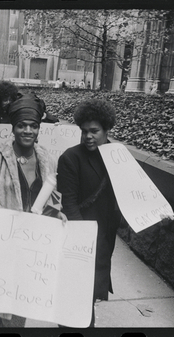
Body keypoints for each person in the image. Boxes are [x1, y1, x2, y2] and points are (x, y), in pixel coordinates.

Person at [0, 92, 64, 328]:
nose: (27, 131)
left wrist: (56, 213)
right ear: (13, 128)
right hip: (4, 245)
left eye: (33, 126)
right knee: (10, 314)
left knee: (17, 309)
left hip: (33, 247)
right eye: (22, 126)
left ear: (39, 129)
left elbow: (54, 196)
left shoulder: (47, 160)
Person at [56, 99, 121, 328]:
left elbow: (125, 195)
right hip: (79, 240)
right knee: (73, 301)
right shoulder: (70, 158)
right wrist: (83, 242)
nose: (88, 137)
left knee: (88, 297)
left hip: (104, 240)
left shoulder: (117, 156)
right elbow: (69, 204)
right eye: (84, 131)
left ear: (107, 130)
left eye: (94, 131)